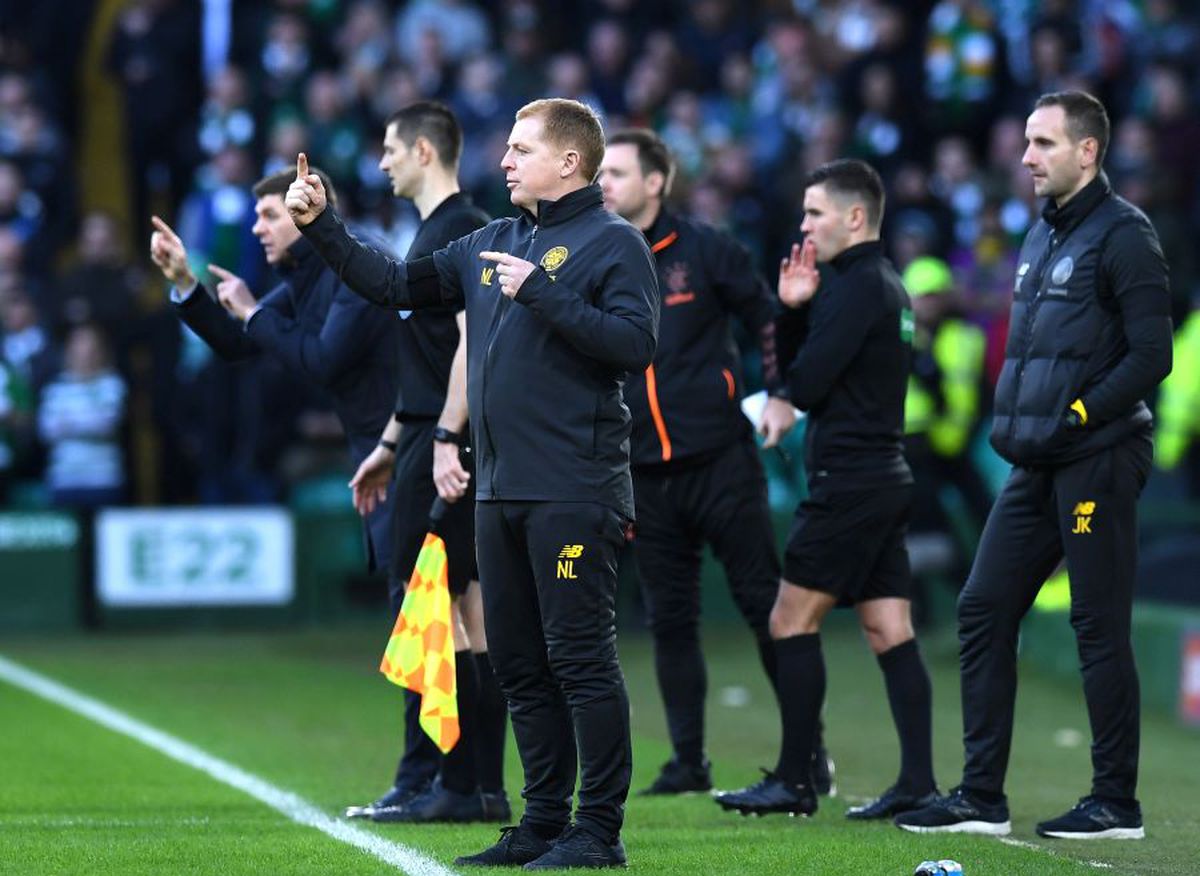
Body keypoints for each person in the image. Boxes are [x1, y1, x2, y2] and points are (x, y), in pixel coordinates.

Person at [286, 97, 658, 870]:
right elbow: (394, 284)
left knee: (581, 660)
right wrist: (323, 226)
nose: (505, 160)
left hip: (574, 490)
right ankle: (542, 824)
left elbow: (634, 343)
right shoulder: (489, 242)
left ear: (570, 162)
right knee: (518, 663)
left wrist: (543, 292)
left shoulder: (614, 243)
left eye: (522, 149)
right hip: (497, 490)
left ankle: (598, 832)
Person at [896, 91, 1172, 840]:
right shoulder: (1041, 233)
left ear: (1088, 151)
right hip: (1036, 460)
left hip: (1098, 453)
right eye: (1026, 142)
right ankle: (980, 797)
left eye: (1044, 143)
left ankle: (1115, 803)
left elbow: (1153, 354)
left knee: (1097, 624)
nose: (1026, 157)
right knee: (983, 607)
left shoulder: (1126, 234)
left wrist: (1080, 413)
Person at [596, 128, 834, 798]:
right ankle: (688, 761)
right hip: (643, 471)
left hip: (721, 460)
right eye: (601, 174)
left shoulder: (706, 249)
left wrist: (778, 393)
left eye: (617, 173)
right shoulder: (596, 258)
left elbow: (768, 318)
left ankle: (808, 755)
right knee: (669, 620)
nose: (604, 184)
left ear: (655, 182)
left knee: (765, 606)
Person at [716, 159, 939, 822]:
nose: (805, 225)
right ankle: (918, 783)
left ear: (855, 216)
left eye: (815, 213)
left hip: (849, 482)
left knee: (788, 620)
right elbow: (808, 374)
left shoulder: (857, 287)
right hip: (884, 475)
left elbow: (805, 385)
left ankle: (794, 779)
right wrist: (793, 312)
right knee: (888, 627)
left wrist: (792, 315)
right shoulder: (886, 284)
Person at [340, 101, 510, 825]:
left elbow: (473, 344)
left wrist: (444, 435)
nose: (382, 162)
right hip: (424, 437)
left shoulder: (460, 229)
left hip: (445, 442)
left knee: (443, 608)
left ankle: (460, 786)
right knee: (462, 608)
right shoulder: (436, 231)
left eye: (390, 148)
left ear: (423, 151)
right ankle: (479, 786)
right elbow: (430, 361)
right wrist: (390, 445)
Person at [148, 167, 399, 579]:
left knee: (427, 589)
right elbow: (239, 342)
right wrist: (185, 281)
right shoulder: (309, 269)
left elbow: (322, 361)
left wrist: (253, 312)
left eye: (269, 216)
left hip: (408, 444)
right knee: (414, 588)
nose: (256, 229)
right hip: (378, 444)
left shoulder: (358, 262)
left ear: (305, 212)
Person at [901, 256, 992, 583]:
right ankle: (957, 591)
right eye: (923, 295)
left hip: (957, 441)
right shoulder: (901, 336)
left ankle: (1002, 582)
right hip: (916, 445)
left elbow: (981, 390)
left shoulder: (966, 336)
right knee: (930, 526)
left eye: (936, 295)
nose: (930, 303)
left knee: (985, 511)